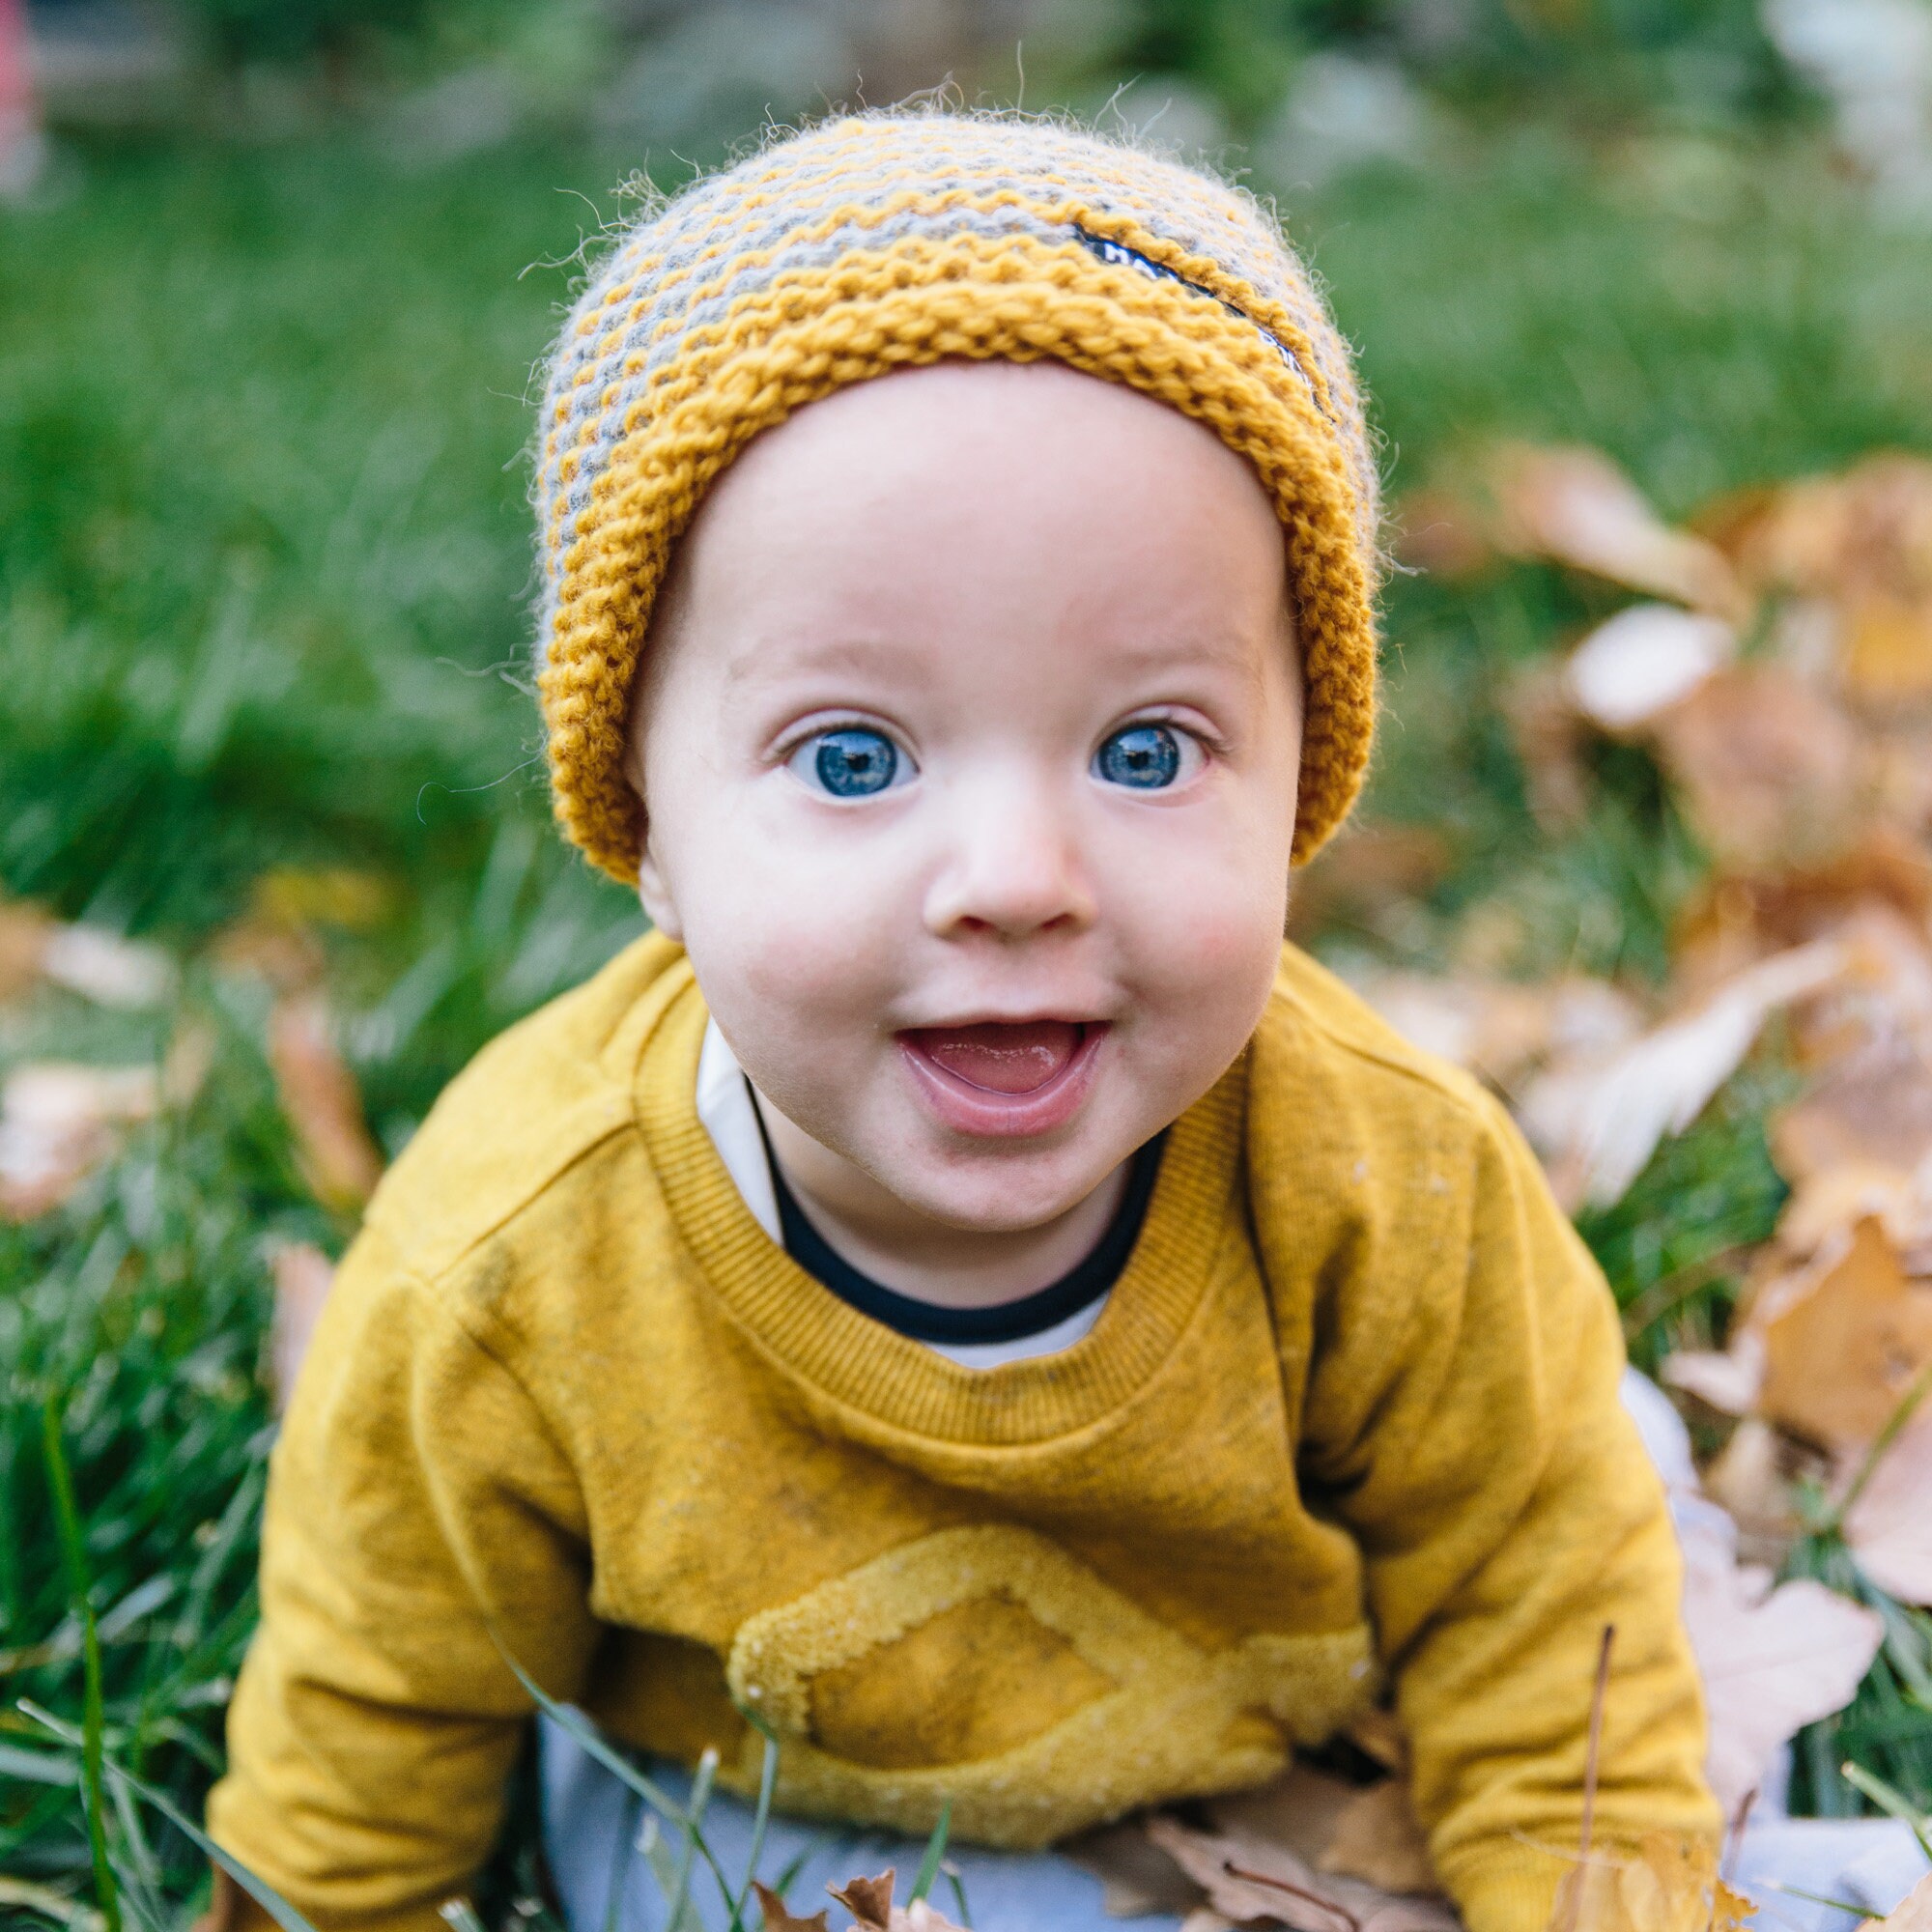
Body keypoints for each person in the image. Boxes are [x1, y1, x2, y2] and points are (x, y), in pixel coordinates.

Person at [207, 109, 1723, 1932]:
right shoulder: (514, 1271)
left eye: (1147, 751)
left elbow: (1537, 1588)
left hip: (1280, 1757)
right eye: (855, 761)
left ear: (1302, 777)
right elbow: (377, 1691)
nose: (1016, 876)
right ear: (646, 825)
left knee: (1614, 1523)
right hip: (778, 1808)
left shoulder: (1383, 1179)